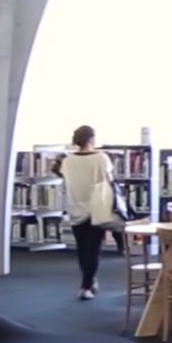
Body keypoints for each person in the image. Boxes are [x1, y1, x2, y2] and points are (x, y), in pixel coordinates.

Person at [59, 125, 118, 301]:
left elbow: (67, 181)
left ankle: (89, 281)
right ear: (92, 139)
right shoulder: (101, 158)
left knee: (82, 249)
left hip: (75, 208)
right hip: (96, 209)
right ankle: (85, 287)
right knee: (93, 250)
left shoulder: (67, 161)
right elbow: (110, 181)